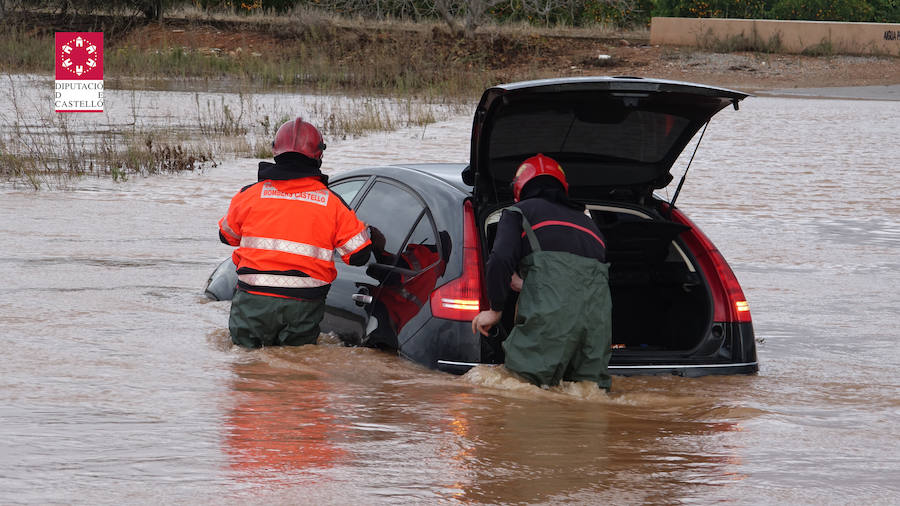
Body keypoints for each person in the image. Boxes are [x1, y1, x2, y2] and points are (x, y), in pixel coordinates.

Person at [218, 117, 372, 348]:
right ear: (318, 156)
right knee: (297, 374)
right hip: (303, 305)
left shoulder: (249, 194)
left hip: (253, 300)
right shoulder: (333, 204)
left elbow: (226, 236)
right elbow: (359, 255)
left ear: (275, 151)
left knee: (245, 367)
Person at [471, 153, 612, 389]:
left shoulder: (519, 213)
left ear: (519, 188)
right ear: (563, 186)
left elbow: (499, 260)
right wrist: (528, 285)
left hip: (549, 325)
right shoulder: (591, 226)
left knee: (524, 395)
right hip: (597, 327)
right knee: (590, 400)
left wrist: (495, 309)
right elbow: (577, 282)